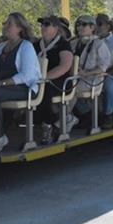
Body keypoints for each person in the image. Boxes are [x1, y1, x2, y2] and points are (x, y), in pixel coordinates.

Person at [0, 12, 41, 151]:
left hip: (25, 88)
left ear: (20, 28)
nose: (5, 27)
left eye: (10, 24)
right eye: (5, 23)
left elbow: (26, 76)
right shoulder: (0, 47)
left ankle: (0, 137)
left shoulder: (26, 47)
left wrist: (1, 83)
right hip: (5, 88)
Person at [33, 15, 74, 144]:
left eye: (46, 24)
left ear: (56, 27)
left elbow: (65, 66)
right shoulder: (36, 45)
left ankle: (47, 125)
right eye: (42, 24)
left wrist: (45, 78)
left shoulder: (63, 44)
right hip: (39, 79)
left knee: (45, 88)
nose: (42, 27)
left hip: (60, 82)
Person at [70, 15, 111, 124]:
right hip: (74, 78)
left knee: (68, 90)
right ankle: (66, 118)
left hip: (90, 80)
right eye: (78, 25)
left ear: (92, 28)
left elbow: (102, 67)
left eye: (84, 25)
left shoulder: (99, 44)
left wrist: (86, 73)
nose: (80, 27)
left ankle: (63, 120)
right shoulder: (73, 43)